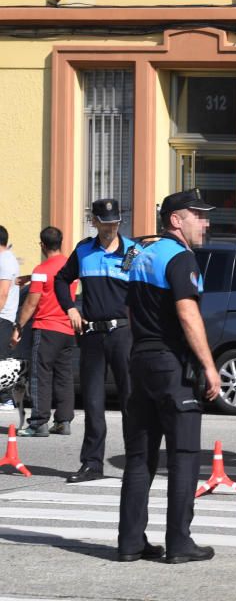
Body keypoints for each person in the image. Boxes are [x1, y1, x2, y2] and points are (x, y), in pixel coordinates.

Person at [118, 189, 221, 564]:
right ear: (176, 220)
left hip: (140, 361)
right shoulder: (180, 259)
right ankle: (179, 543)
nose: (205, 223)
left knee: (140, 457)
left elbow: (131, 313)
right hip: (171, 365)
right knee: (184, 455)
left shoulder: (142, 256)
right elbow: (187, 314)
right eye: (199, 215)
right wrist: (209, 366)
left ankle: (130, 543)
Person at [55, 199, 136, 483]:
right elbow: (60, 280)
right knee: (92, 401)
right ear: (95, 222)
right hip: (91, 335)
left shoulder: (134, 252)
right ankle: (92, 464)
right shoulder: (83, 250)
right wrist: (71, 308)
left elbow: (147, 290)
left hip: (124, 334)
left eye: (115, 222)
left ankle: (136, 463)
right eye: (105, 222)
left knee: (131, 400)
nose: (111, 227)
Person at [10, 227, 76, 437]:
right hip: (67, 328)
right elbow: (55, 278)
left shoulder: (41, 269)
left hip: (46, 328)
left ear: (42, 245)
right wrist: (31, 276)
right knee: (64, 376)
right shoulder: (70, 265)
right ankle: (63, 421)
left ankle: (39, 422)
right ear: (61, 242)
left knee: (41, 375)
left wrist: (19, 325)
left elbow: (31, 302)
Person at [0, 226, 19, 411]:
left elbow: (3, 293)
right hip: (4, 316)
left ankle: (6, 398)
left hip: (2, 317)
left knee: (1, 360)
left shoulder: (5, 260)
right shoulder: (6, 259)